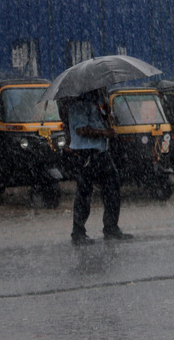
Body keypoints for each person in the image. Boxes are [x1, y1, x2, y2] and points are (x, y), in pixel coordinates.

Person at [68, 88, 133, 245]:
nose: (104, 89)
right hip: (86, 154)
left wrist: (107, 115)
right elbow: (80, 130)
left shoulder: (99, 102)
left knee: (113, 188)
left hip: (102, 152)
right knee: (84, 193)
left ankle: (111, 228)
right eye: (101, 87)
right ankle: (78, 233)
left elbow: (104, 121)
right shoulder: (79, 104)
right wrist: (105, 133)